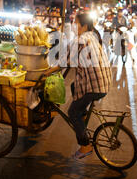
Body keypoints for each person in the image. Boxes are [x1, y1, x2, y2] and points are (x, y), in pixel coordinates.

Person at [45, 11, 112, 160]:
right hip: (104, 82)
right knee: (75, 85)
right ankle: (84, 114)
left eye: (76, 23)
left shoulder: (80, 40)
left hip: (95, 86)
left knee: (72, 112)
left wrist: (47, 72)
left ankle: (85, 146)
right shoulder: (93, 36)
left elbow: (64, 62)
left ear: (83, 25)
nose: (74, 26)